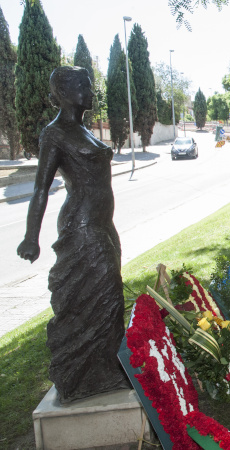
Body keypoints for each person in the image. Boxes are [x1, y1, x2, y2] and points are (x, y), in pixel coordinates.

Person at [17, 67, 129, 402]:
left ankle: (106, 369)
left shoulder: (82, 129)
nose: (91, 90)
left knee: (108, 298)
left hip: (103, 224)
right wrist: (30, 236)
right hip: (81, 227)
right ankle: (83, 373)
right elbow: (40, 188)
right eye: (83, 85)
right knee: (104, 295)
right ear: (63, 92)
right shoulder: (55, 134)